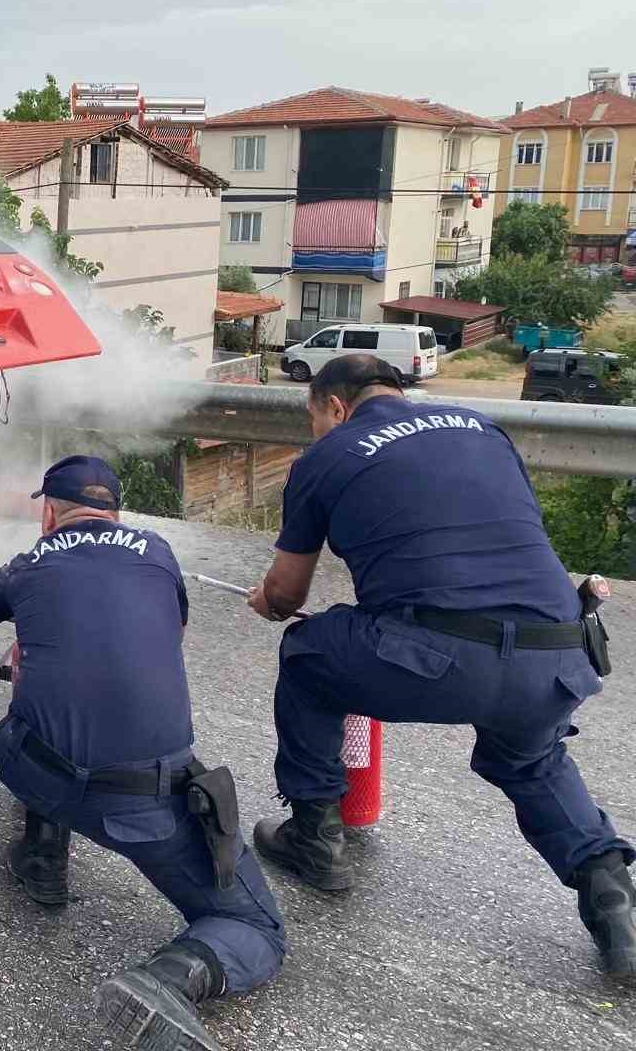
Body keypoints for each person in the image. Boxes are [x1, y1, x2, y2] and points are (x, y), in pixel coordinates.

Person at [247, 353, 634, 981]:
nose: (316, 431)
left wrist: (267, 603)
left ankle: (315, 836)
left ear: (336, 407)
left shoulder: (328, 455)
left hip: (439, 656)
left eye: (314, 417)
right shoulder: (481, 426)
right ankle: (610, 895)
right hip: (556, 652)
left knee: (306, 653)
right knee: (531, 760)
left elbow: (287, 595)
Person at [0, 455, 286, 1051]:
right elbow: (170, 633)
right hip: (147, 797)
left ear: (48, 512)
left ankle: (44, 855)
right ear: (116, 510)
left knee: (30, 693)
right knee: (252, 924)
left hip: (39, 765)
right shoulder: (158, 551)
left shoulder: (29, 563)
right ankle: (167, 980)